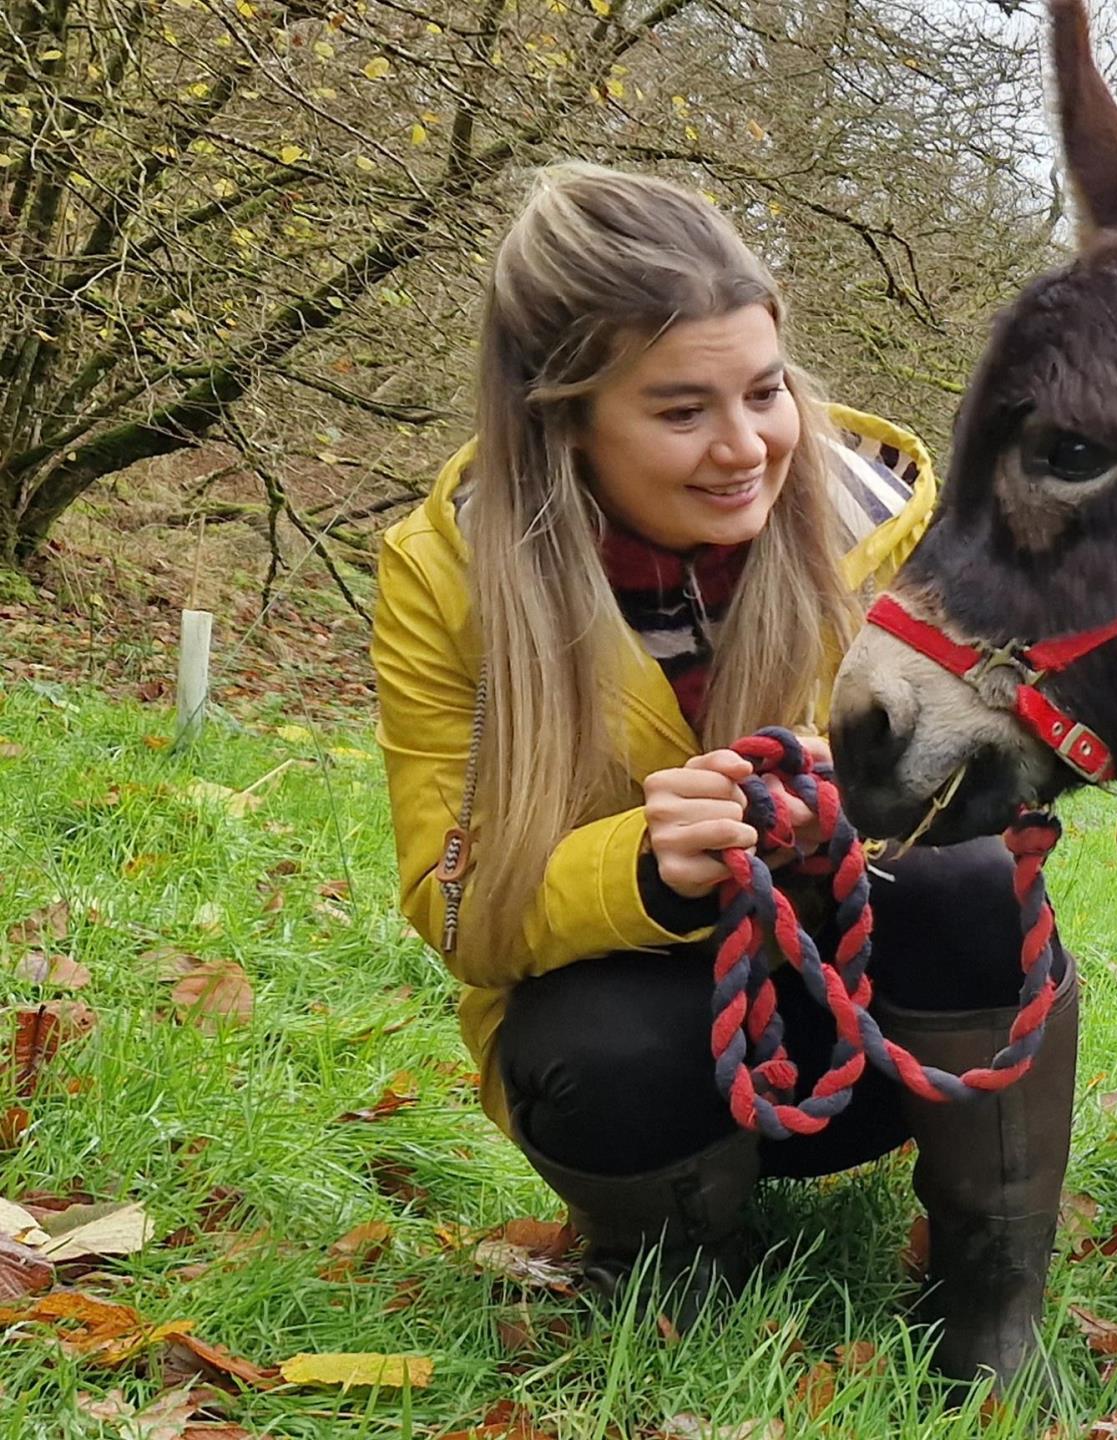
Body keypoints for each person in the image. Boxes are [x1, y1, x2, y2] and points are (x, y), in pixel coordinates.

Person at [368, 163, 1078, 1385]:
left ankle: (991, 1301)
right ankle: (681, 1273)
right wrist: (641, 867)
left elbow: (1009, 780)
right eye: (682, 410)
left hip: (875, 1038)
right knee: (593, 1047)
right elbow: (454, 899)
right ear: (564, 416)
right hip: (661, 1052)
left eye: (765, 391)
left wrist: (866, 807)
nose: (744, 447)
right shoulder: (448, 579)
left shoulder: (901, 536)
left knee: (968, 891)